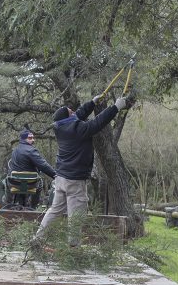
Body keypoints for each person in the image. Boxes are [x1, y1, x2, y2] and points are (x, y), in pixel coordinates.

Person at [35, 95, 127, 243]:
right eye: (70, 111)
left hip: (61, 179)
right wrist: (115, 107)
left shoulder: (60, 127)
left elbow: (78, 115)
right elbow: (97, 123)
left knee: (54, 211)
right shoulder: (78, 129)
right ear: (68, 118)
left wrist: (92, 103)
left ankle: (38, 239)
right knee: (76, 217)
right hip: (74, 181)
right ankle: (73, 248)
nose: (73, 111)